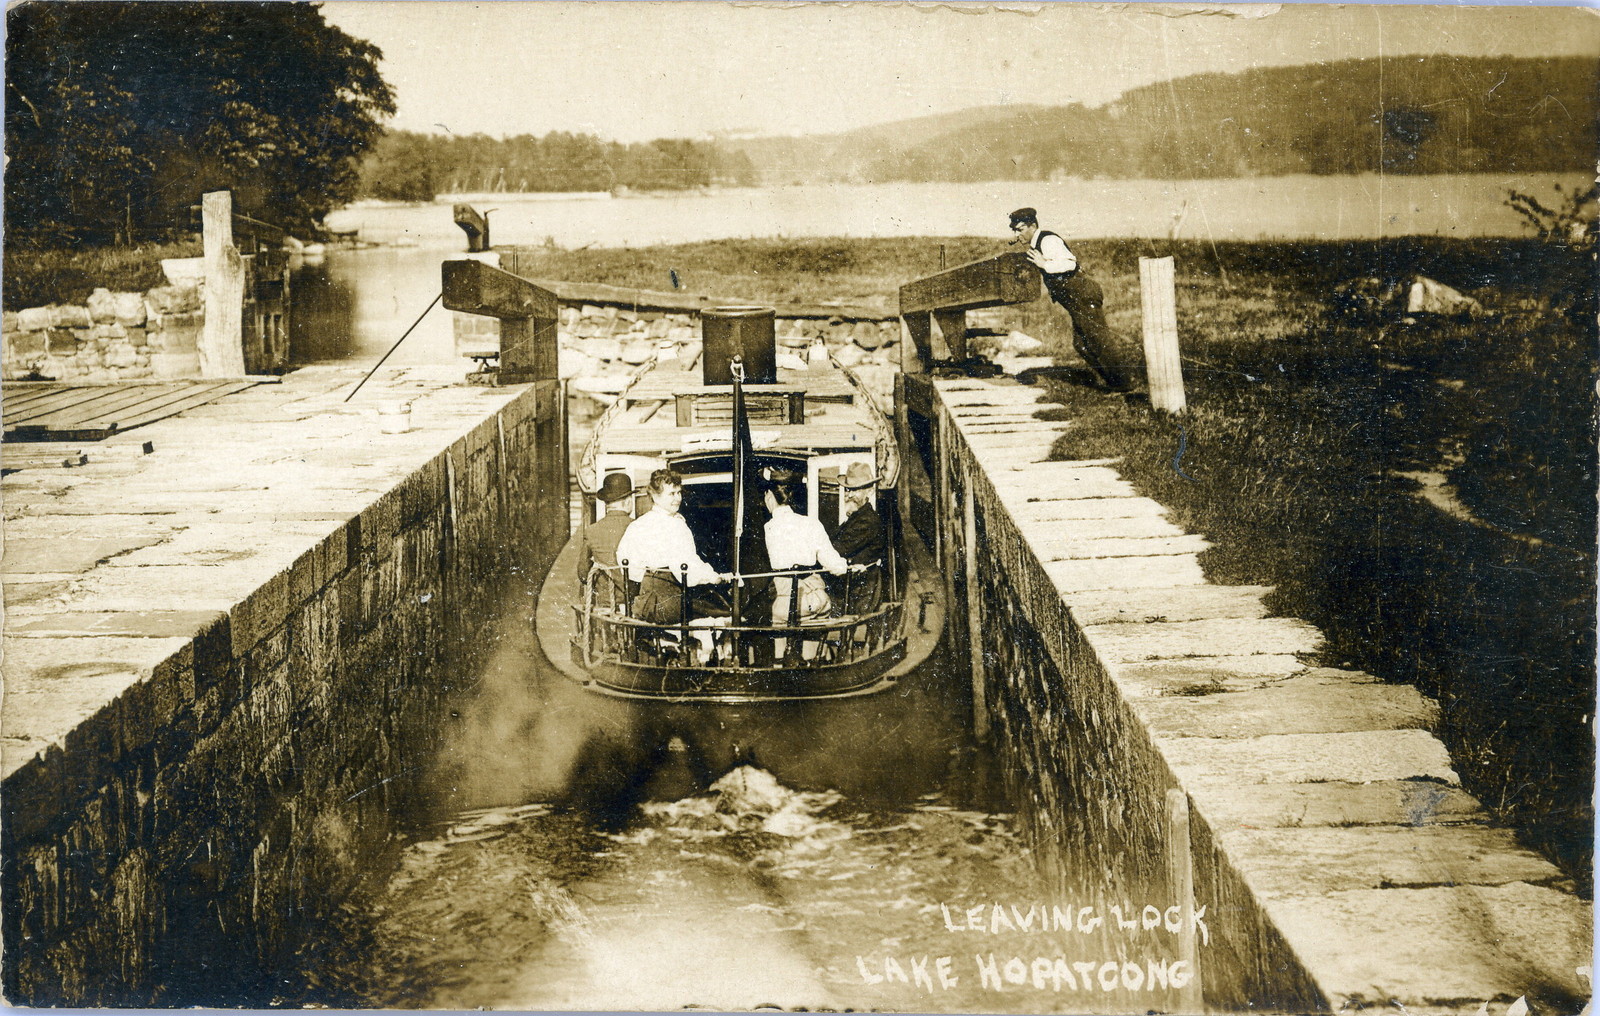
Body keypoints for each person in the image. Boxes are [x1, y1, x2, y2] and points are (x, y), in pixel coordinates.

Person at [1009, 206, 1134, 393]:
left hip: (1083, 295)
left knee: (1097, 339)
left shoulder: (1048, 240)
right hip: (1075, 300)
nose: (1017, 235)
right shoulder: (1036, 244)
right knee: (1082, 345)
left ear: (1032, 226)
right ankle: (1114, 382)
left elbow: (1069, 263)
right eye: (1015, 231)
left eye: (1020, 230)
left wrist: (1045, 264)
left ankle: (1124, 384)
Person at [615, 468, 730, 624]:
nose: (678, 498)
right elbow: (688, 564)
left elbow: (625, 561)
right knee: (726, 614)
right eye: (671, 494)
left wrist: (647, 574)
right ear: (655, 496)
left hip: (644, 604)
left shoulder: (638, 524)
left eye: (679, 493)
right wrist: (715, 577)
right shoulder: (675, 525)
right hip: (670, 604)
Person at [762, 480, 849, 624]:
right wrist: (846, 566)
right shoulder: (811, 523)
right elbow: (836, 566)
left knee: (777, 635)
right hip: (816, 599)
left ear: (769, 495)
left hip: (784, 603)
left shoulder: (767, 528)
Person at [830, 462, 885, 613]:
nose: (849, 495)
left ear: (869, 491)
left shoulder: (867, 521)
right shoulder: (855, 518)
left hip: (859, 593)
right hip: (850, 589)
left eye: (856, 490)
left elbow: (838, 548)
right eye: (848, 490)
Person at [576, 471, 634, 607]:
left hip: (606, 604)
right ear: (628, 501)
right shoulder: (637, 526)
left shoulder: (592, 530)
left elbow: (583, 574)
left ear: (607, 504)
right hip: (634, 603)